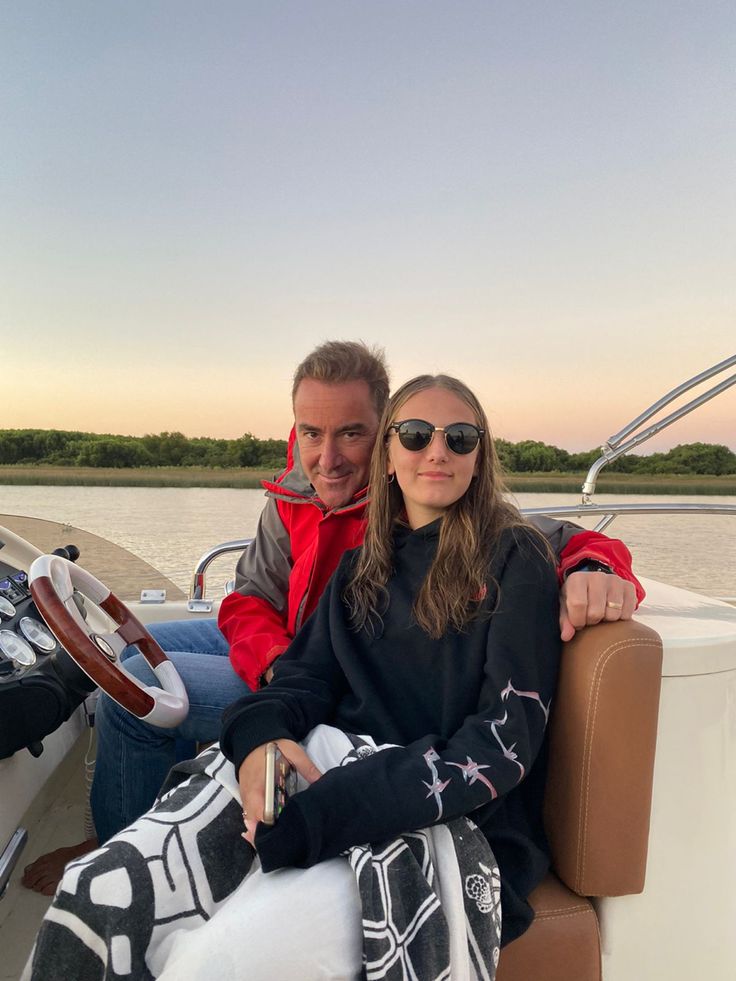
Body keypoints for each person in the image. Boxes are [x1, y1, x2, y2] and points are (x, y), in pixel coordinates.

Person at [22, 341, 642, 895]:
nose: (328, 458)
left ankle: (116, 844)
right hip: (293, 655)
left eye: (350, 433)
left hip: (331, 672)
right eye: (311, 433)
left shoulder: (426, 500)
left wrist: (598, 567)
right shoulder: (293, 492)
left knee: (133, 696)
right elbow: (246, 601)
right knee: (134, 648)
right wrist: (272, 669)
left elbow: (554, 539)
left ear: (383, 433)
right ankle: (115, 811)